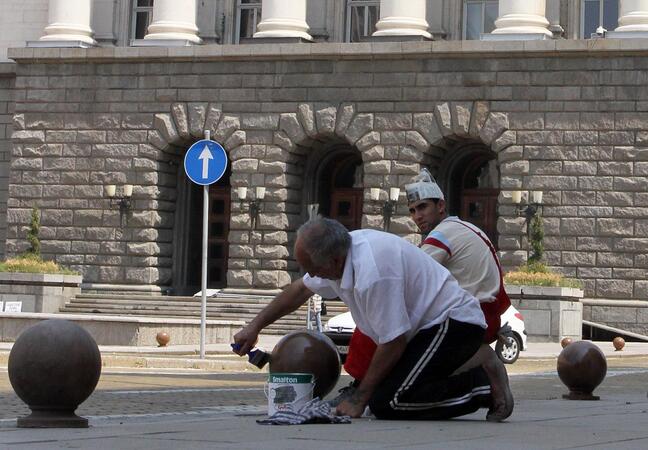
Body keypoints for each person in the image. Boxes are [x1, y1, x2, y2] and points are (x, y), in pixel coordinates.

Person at [233, 217, 495, 420]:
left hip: (455, 324)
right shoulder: (338, 258)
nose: (313, 275)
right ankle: (470, 374)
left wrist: (359, 399)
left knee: (389, 403)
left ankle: (484, 386)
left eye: (314, 269)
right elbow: (300, 289)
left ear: (334, 261)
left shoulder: (374, 271)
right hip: (425, 329)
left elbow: (393, 342)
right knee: (386, 397)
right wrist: (255, 326)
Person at [337, 169, 513, 421]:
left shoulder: (442, 235)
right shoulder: (464, 227)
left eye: (423, 208)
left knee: (379, 321)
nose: (417, 216)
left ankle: (359, 385)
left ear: (441, 206)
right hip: (483, 313)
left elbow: (412, 275)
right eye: (412, 210)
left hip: (466, 319)